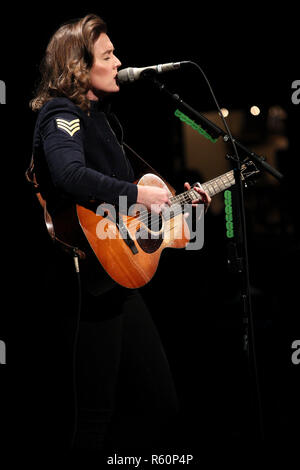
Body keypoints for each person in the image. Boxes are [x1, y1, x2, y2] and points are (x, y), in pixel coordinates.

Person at [28, 13, 211, 451]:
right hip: (84, 287)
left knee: (161, 405)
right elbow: (70, 175)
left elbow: (127, 214)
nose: (119, 62)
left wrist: (179, 210)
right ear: (78, 64)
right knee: (93, 420)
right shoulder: (61, 113)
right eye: (107, 55)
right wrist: (137, 195)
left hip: (115, 282)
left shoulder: (105, 122)